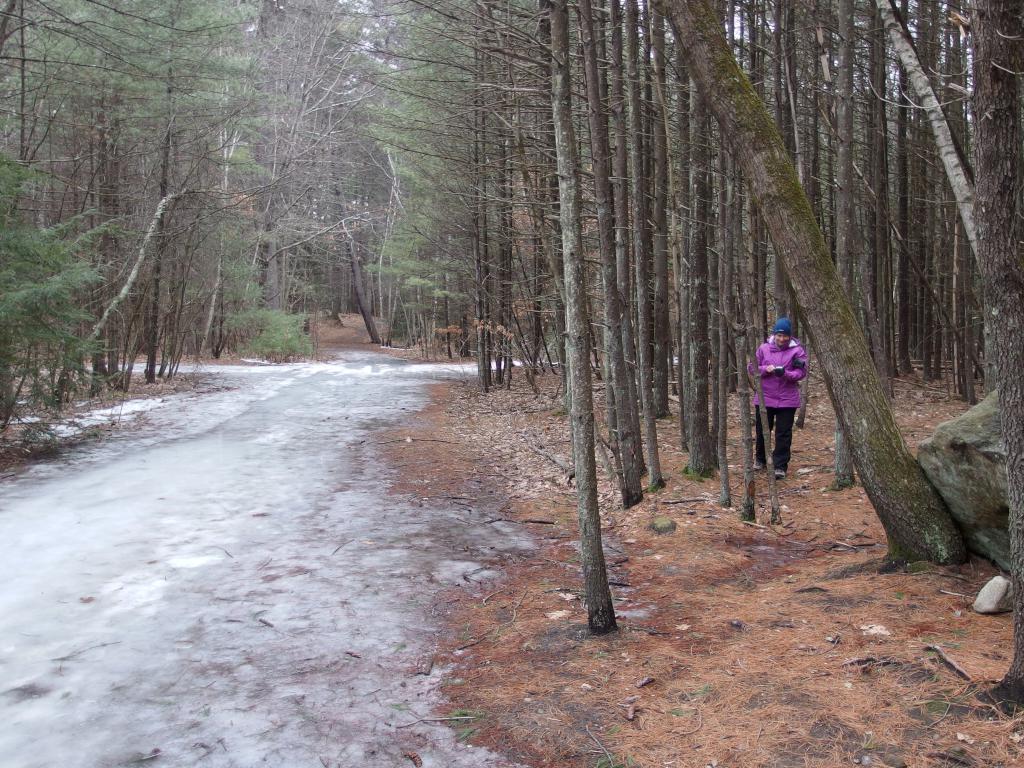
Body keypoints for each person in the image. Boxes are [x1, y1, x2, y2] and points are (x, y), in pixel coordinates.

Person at [750, 317, 808, 479]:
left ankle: (780, 466)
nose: (782, 339)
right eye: (779, 335)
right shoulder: (763, 349)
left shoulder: (797, 351)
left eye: (785, 336)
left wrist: (786, 374)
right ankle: (760, 459)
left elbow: (801, 373)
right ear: (774, 334)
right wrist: (765, 369)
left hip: (787, 400)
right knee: (762, 430)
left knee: (783, 433)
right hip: (765, 397)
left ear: (790, 336)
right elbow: (751, 367)